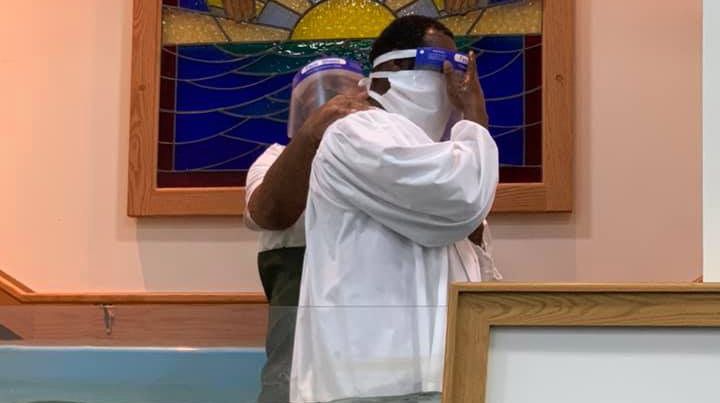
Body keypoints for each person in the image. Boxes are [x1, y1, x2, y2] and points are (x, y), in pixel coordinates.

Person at [290, 16, 500, 403]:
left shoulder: (432, 149)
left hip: (429, 374)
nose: (457, 86)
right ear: (396, 67)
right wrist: (475, 119)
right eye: (447, 67)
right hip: (370, 378)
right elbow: (461, 200)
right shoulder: (358, 132)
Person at [244, 58, 369, 403]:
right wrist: (314, 134)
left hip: (371, 356)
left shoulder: (381, 164)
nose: (337, 109)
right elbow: (268, 213)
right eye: (323, 100)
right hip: (293, 361)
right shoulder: (272, 160)